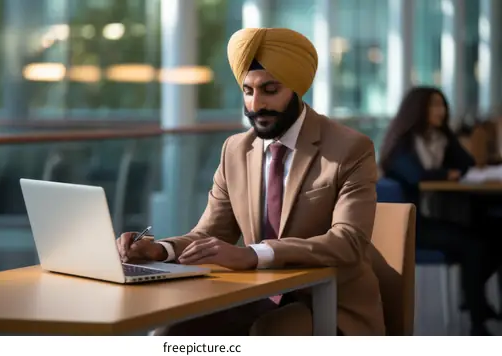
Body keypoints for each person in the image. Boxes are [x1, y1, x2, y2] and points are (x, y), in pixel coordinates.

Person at [117, 28, 385, 336]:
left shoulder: (349, 148)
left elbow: (348, 242)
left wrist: (253, 253)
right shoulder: (235, 150)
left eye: (270, 90)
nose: (255, 104)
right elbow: (210, 233)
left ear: (297, 89)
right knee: (167, 334)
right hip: (254, 296)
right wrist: (161, 251)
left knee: (270, 333)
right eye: (248, 90)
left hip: (329, 303)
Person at [379, 86, 501, 336]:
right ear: (419, 109)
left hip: (432, 216)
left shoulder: (438, 140)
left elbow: (466, 164)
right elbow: (416, 176)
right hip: (409, 225)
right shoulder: (404, 143)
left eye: (442, 105)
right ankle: (477, 321)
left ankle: (473, 294)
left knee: (493, 234)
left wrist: (448, 137)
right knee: (475, 245)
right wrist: (446, 173)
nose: (441, 110)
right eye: (434, 105)